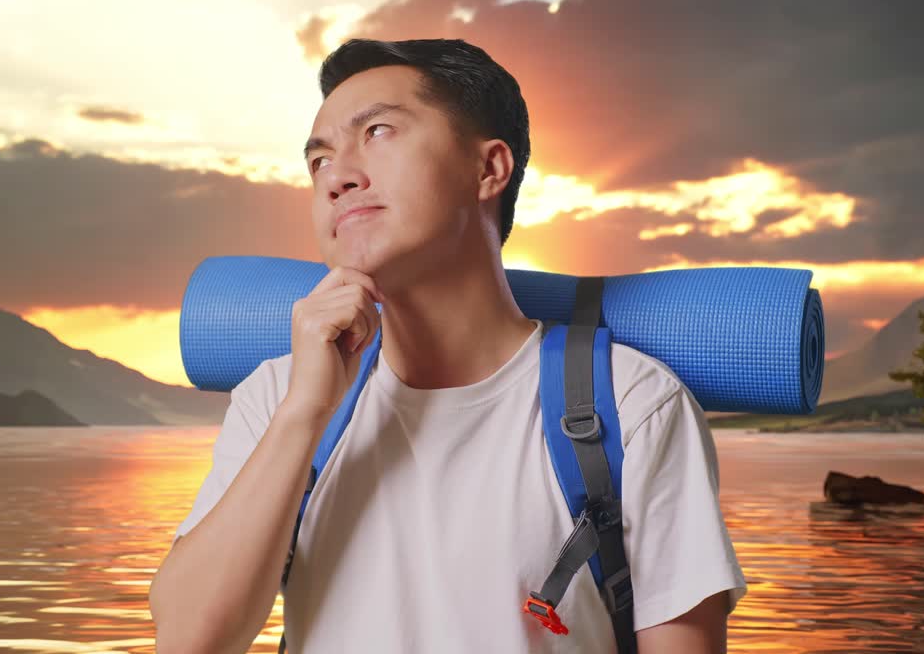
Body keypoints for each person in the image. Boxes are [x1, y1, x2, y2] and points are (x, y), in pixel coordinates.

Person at [149, 37, 747, 653]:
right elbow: (189, 643)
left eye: (378, 131)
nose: (338, 176)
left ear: (488, 169)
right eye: (319, 160)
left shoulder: (631, 403)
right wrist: (303, 415)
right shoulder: (277, 397)